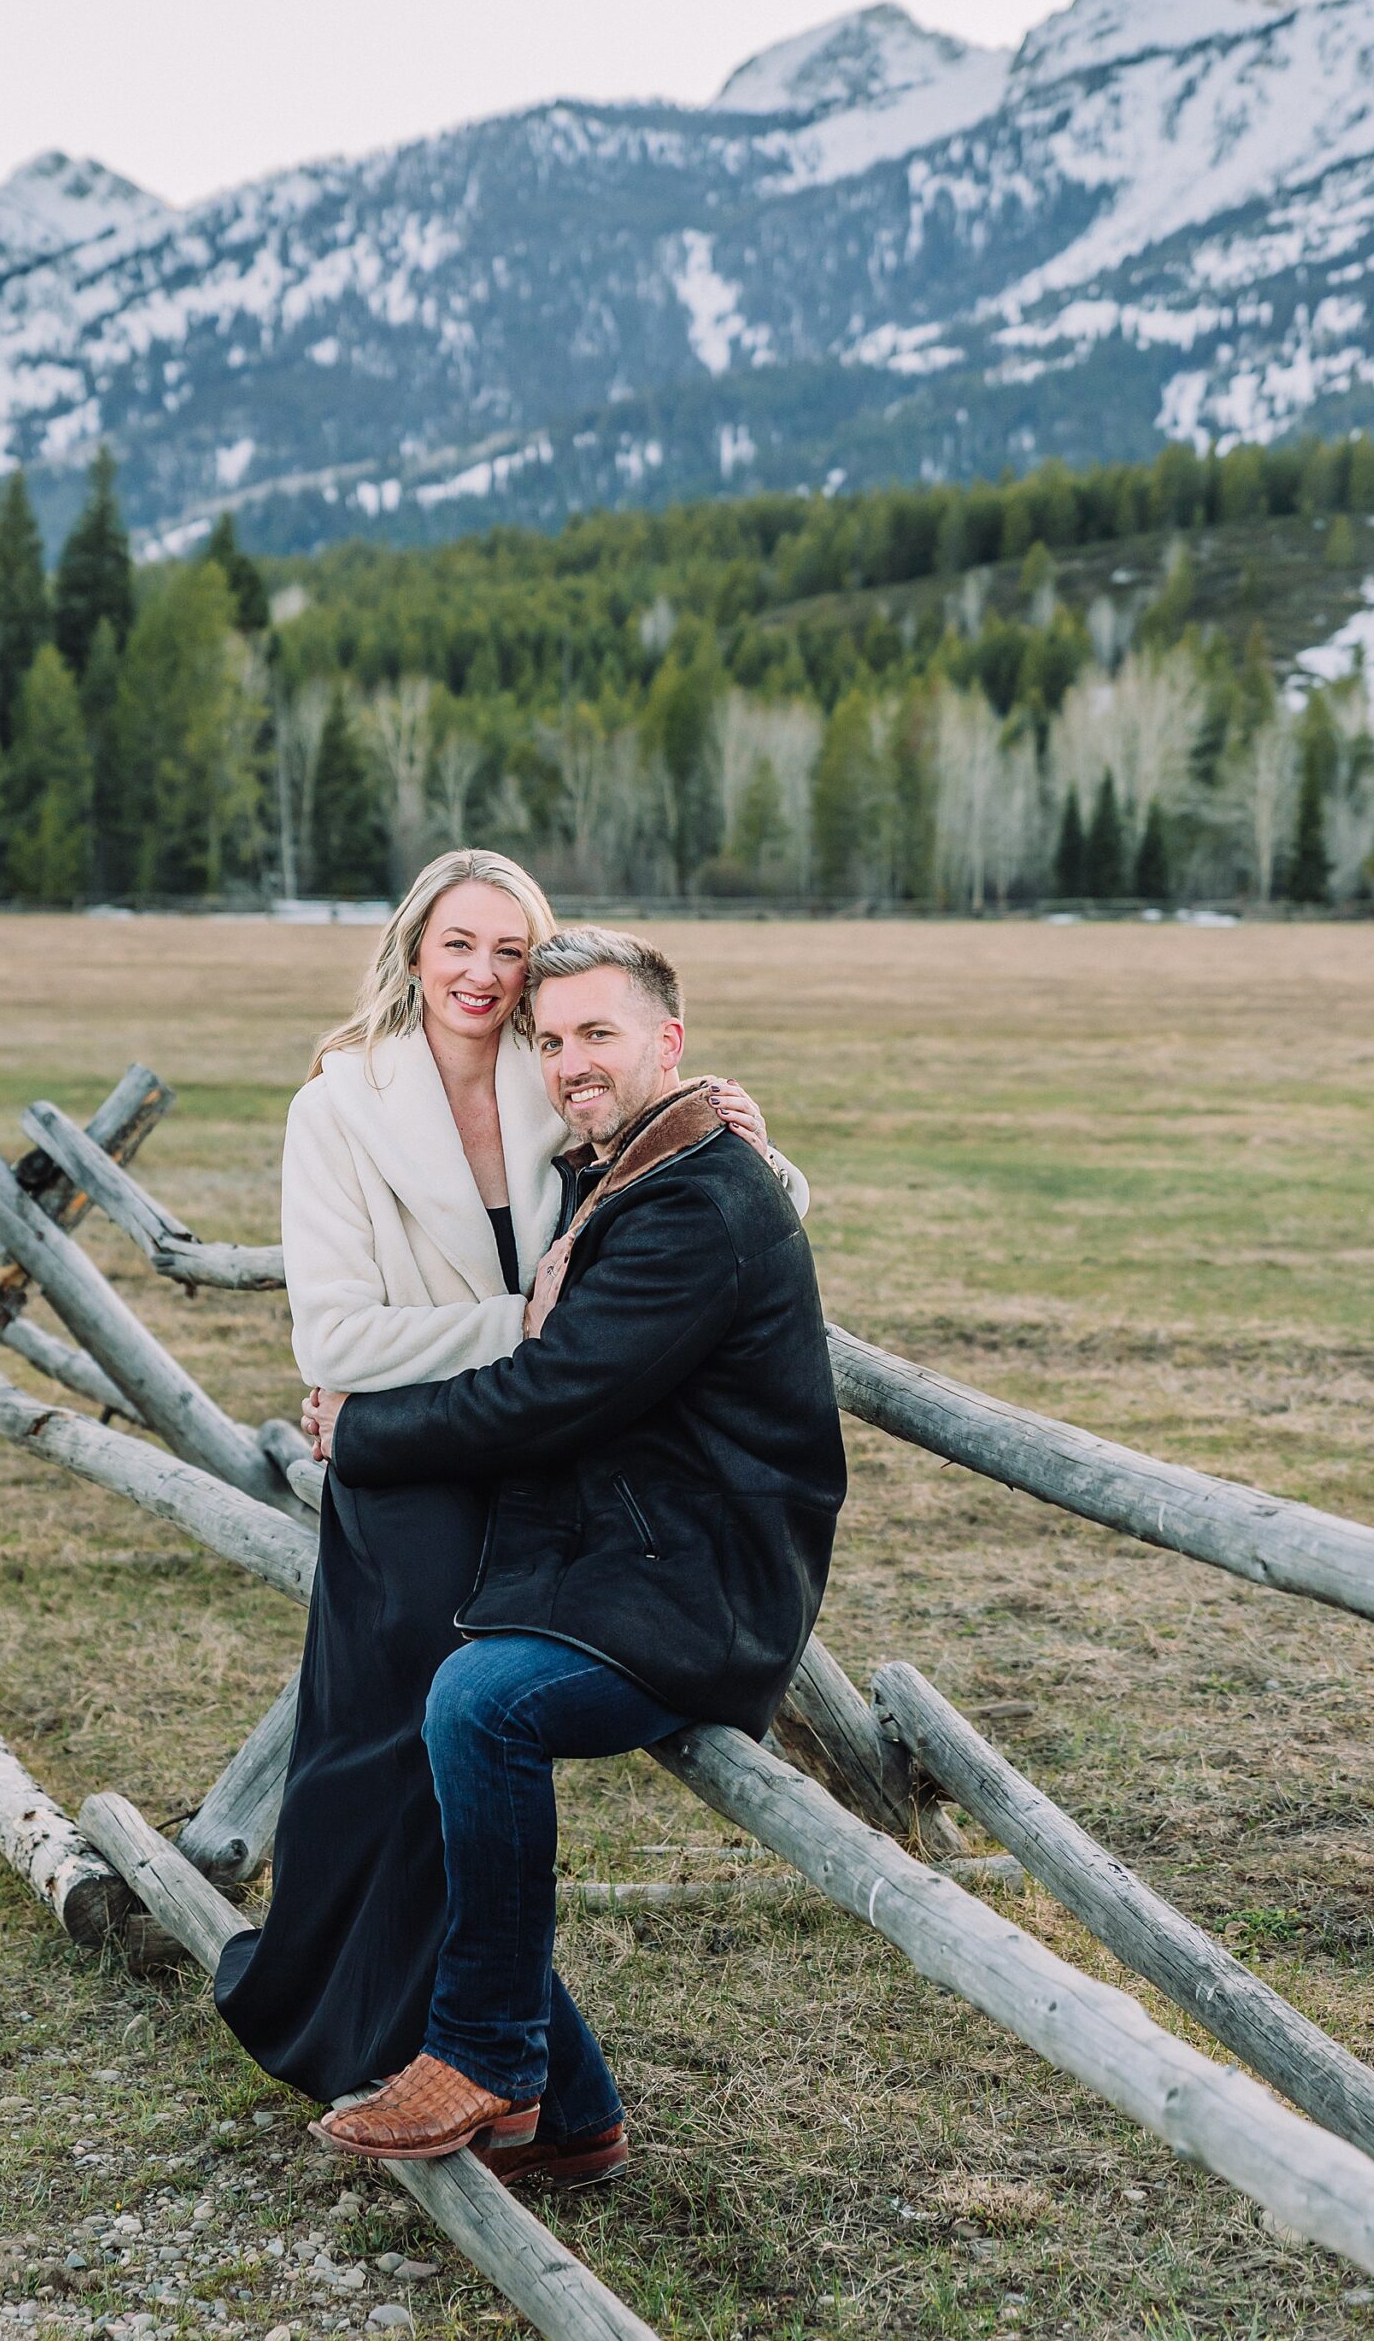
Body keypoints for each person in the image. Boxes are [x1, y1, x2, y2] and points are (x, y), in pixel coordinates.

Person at [214, 857, 800, 2179]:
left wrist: (736, 1133)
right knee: (392, 1763)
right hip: (421, 1475)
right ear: (411, 949)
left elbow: (703, 1220)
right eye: (454, 942)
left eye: (507, 950)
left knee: (455, 1744)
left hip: (539, 1467)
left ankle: (526, 2084)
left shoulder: (562, 1080)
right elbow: (338, 1335)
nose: (479, 972)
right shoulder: (343, 1106)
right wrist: (532, 1332)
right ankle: (522, 2076)